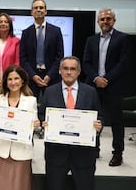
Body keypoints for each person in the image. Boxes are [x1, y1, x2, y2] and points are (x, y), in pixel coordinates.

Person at [40, 56, 103, 190]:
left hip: (83, 154)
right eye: (65, 68)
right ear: (59, 70)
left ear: (78, 72)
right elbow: (41, 115)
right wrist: (43, 123)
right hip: (56, 153)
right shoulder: (50, 91)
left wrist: (99, 126)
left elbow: (100, 115)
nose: (69, 72)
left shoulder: (90, 92)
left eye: (73, 69)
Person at [82, 8, 130, 167]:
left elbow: (123, 63)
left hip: (113, 86)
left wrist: (106, 79)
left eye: (108, 19)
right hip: (93, 86)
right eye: (102, 19)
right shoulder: (91, 40)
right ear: (98, 22)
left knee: (116, 121)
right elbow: (86, 63)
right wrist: (96, 78)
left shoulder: (122, 38)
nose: (105, 21)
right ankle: (93, 148)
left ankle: (117, 153)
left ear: (114, 21)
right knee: (92, 119)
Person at [0, 65, 40, 190]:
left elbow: (33, 126)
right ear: (5, 82)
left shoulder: (31, 101)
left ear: (22, 81)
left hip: (22, 152)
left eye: (16, 78)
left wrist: (36, 125)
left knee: (20, 186)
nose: (13, 82)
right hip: (3, 151)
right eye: (10, 79)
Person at [19, 0, 64, 102]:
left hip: (51, 77)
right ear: (31, 12)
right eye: (35, 8)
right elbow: (23, 57)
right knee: (30, 106)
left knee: (52, 105)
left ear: (46, 11)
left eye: (41, 7)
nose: (38, 10)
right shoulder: (26, 33)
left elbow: (59, 56)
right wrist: (33, 75)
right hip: (31, 77)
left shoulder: (56, 31)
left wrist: (49, 75)